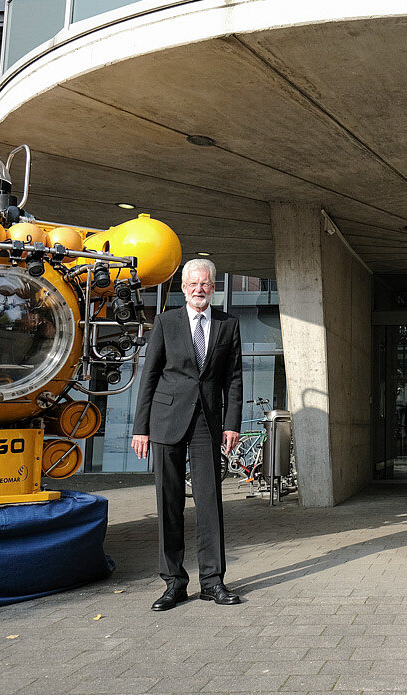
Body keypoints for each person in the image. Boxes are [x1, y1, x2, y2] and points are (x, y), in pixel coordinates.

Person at [131, 258, 244, 611]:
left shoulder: (228, 324)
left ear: (213, 287)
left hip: (207, 424)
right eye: (193, 284)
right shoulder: (166, 323)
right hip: (165, 421)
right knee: (169, 503)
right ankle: (174, 583)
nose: (199, 289)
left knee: (209, 502)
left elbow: (234, 379)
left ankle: (212, 582)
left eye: (205, 284)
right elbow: (149, 376)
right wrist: (140, 428)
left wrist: (232, 424)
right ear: (183, 288)